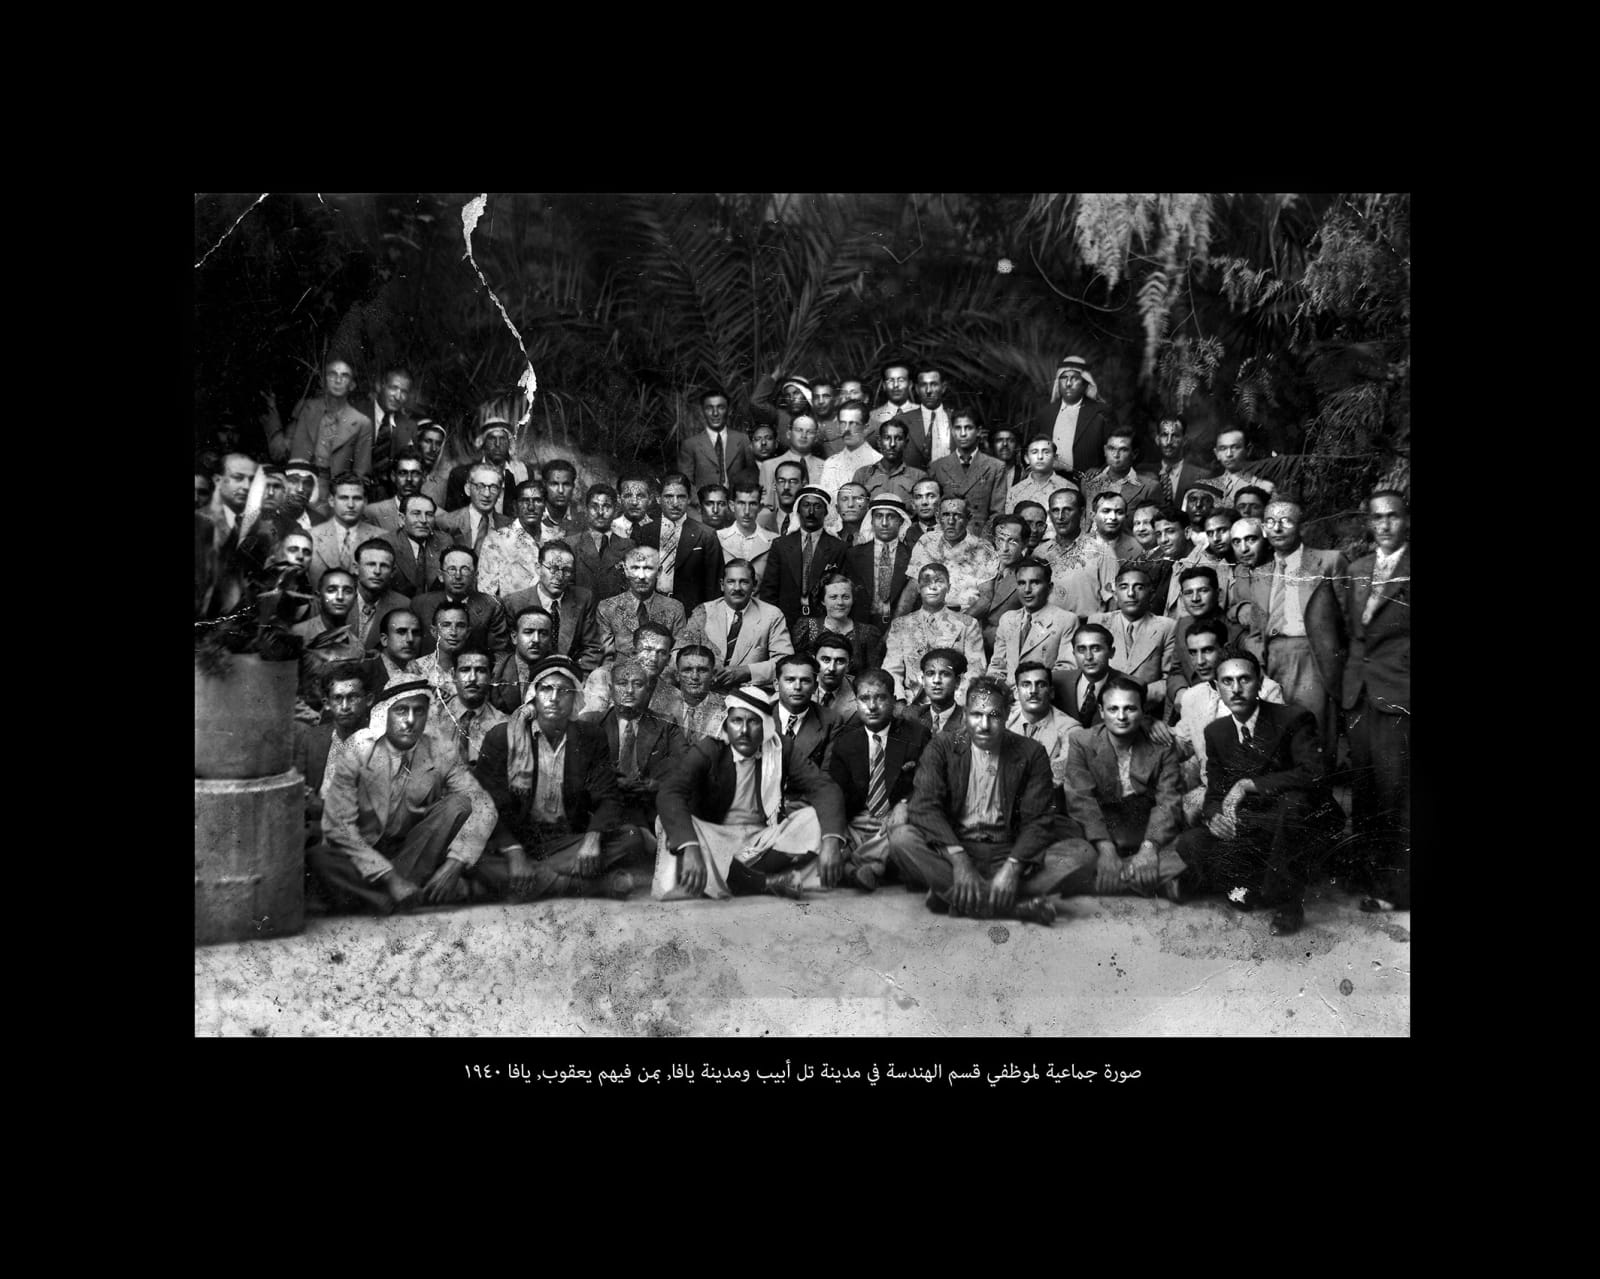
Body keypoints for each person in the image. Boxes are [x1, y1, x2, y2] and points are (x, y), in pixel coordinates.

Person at [1173, 654, 1345, 935]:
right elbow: (1215, 791)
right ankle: (1251, 886)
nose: (1236, 689)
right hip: (1254, 824)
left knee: (1292, 806)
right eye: (1227, 681)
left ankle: (1287, 903)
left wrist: (1247, 784)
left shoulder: (1293, 717)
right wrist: (1215, 815)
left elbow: (1313, 774)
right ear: (1216, 688)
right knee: (1190, 843)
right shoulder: (1216, 732)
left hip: (1296, 820)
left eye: (1245, 679)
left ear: (1260, 683)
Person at [886, 676, 1078, 925]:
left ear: (1008, 714)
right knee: (902, 839)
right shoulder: (942, 745)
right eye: (977, 714)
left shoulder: (1031, 751)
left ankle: (957, 896)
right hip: (956, 845)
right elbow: (924, 806)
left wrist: (1013, 867)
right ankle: (1009, 906)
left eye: (994, 715)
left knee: (1080, 853)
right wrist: (959, 860)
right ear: (965, 714)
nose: (984, 725)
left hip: (1009, 848)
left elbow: (1038, 818)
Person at [308, 675, 499, 914]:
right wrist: (391, 878)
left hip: (415, 850)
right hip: (363, 853)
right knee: (319, 857)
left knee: (458, 804)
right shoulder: (358, 748)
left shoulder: (439, 750)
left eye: (418, 711)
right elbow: (339, 826)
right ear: (384, 714)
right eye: (401, 711)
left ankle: (380, 899)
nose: (410, 721)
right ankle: (392, 897)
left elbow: (484, 805)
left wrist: (455, 863)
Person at [652, 684, 849, 901]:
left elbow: (824, 788)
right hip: (717, 836)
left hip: (763, 839)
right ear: (727, 723)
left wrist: (831, 840)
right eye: (737, 721)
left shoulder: (781, 747)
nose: (744, 731)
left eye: (752, 721)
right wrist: (690, 847)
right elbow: (670, 792)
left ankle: (729, 878)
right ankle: (766, 882)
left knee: (814, 819)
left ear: (764, 725)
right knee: (667, 822)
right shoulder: (711, 748)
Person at [473, 656, 643, 900]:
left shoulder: (590, 737)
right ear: (534, 694)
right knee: (473, 859)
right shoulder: (502, 737)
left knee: (631, 837)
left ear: (574, 698)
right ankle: (597, 886)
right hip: (516, 840)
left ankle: (528, 881)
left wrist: (592, 840)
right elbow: (485, 805)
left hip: (566, 840)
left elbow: (608, 797)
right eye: (546, 689)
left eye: (563, 691)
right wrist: (514, 852)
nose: (554, 698)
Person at [1340, 490, 1411, 911]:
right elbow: (1352, 634)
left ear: (1406, 520)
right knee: (1364, 788)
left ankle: (1397, 889)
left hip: (1399, 691)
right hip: (1359, 691)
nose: (1384, 526)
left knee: (1396, 789)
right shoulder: (1357, 569)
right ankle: (1368, 877)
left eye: (1394, 517)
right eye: (1377, 518)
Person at [1056, 675, 1188, 898]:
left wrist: (1149, 848)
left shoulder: (1162, 746)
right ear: (1101, 710)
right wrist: (1106, 849)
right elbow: (1082, 801)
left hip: (1144, 828)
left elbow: (1168, 802)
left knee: (1188, 851)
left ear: (1143, 710)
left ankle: (1105, 880)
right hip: (1099, 828)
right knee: (1069, 852)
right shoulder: (1082, 741)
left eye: (1130, 709)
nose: (1121, 717)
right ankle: (1144, 879)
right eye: (1113, 709)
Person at [1234, 496, 1348, 751]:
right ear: (1263, 528)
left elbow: (1347, 619)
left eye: (1286, 521)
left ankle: (1320, 788)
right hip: (1272, 661)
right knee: (1277, 736)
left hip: (1313, 657)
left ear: (1302, 527)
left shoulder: (1329, 561)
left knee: (1313, 733)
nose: (1277, 528)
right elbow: (1255, 631)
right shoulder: (1261, 573)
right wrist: (1257, 667)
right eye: (1270, 522)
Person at [1172, 618, 1285, 824]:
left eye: (1207, 650)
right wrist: (1149, 729)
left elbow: (1276, 757)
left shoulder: (1265, 690)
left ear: (1225, 649)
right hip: (1213, 790)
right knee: (1179, 809)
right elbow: (1182, 743)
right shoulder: (1192, 697)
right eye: (1193, 652)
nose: (1199, 661)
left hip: (1254, 790)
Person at [827, 669, 930, 891]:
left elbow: (929, 782)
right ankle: (865, 869)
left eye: (880, 697)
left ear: (894, 701)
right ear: (856, 701)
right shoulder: (846, 742)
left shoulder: (916, 734)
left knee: (904, 833)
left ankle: (854, 869)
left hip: (894, 818)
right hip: (859, 820)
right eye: (864, 698)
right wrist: (837, 830)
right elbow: (835, 793)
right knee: (821, 827)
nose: (872, 706)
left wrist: (904, 805)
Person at [586, 658, 689, 854]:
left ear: (649, 690)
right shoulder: (593, 723)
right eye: (622, 684)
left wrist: (655, 785)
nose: (629, 691)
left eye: (638, 684)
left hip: (651, 809)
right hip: (602, 812)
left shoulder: (666, 724)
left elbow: (683, 765)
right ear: (610, 688)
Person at [678, 558, 794, 691]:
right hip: (706, 690)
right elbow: (680, 653)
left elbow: (786, 662)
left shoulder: (772, 615)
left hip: (750, 694)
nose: (737, 588)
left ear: (754, 585)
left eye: (744, 582)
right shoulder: (703, 611)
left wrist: (746, 671)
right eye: (731, 582)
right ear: (722, 585)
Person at [292, 662, 371, 846]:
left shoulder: (378, 742)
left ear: (368, 699)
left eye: (353, 697)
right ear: (327, 704)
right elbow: (298, 788)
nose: (344, 706)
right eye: (337, 698)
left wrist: (317, 805)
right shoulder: (313, 738)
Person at [884, 565, 986, 704]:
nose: (932, 587)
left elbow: (976, 670)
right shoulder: (901, 625)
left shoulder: (967, 624)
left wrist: (956, 703)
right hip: (911, 702)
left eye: (939, 581)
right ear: (918, 588)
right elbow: (891, 669)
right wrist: (900, 701)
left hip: (953, 701)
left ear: (948, 587)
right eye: (926, 582)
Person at [499, 540, 604, 673]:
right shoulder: (513, 602)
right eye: (553, 568)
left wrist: (577, 679)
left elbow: (593, 648)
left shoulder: (583, 599)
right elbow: (505, 652)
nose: (559, 577)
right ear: (538, 568)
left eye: (566, 570)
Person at [630, 472, 724, 615]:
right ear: (658, 498)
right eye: (668, 496)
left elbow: (714, 589)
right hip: (650, 612)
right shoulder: (642, 533)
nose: (675, 503)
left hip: (690, 614)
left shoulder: (706, 535)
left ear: (689, 499)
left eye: (681, 497)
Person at [1089, 565, 1179, 714]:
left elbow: (1169, 679)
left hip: (1147, 710)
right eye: (1124, 587)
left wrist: (1133, 700)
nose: (1131, 594)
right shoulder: (1098, 622)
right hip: (1101, 711)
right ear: (1115, 594)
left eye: (1139, 587)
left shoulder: (1167, 627)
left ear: (1151, 593)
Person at [759, 484, 848, 628]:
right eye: (806, 505)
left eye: (817, 507)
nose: (811, 512)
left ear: (826, 512)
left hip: (824, 624)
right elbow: (769, 592)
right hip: (784, 624)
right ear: (798, 510)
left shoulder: (839, 548)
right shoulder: (780, 545)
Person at [1048, 490, 1142, 621]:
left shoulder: (1102, 550)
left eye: (1067, 510)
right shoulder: (1041, 552)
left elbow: (1113, 600)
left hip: (1086, 629)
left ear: (1081, 513)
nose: (1060, 517)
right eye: (1055, 510)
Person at [410, 546, 513, 660]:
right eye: (452, 569)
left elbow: (500, 653)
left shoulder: (492, 605)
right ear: (440, 576)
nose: (458, 576)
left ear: (475, 576)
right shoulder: (420, 604)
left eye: (465, 569)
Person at [987, 556, 1078, 685]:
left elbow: (1066, 669)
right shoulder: (1007, 620)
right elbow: (997, 667)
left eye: (1035, 582)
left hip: (1041, 695)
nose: (1027, 590)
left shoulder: (1066, 620)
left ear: (1050, 587)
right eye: (1021, 583)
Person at [288, 357, 374, 489]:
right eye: (332, 374)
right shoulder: (307, 409)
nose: (338, 380)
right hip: (304, 484)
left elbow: (361, 473)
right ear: (323, 381)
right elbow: (296, 456)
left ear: (352, 385)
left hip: (337, 491)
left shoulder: (362, 422)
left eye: (344, 376)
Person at [596, 545, 687, 666]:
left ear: (659, 571)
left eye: (648, 568)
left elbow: (677, 656)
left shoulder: (674, 608)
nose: (641, 576)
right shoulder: (607, 607)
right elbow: (607, 657)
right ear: (626, 570)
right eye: (635, 568)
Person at [578, 622, 684, 720]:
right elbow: (589, 723)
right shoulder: (603, 677)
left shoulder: (674, 696)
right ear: (634, 653)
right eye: (647, 650)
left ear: (668, 659)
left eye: (661, 652)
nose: (654, 658)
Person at [927, 410, 1009, 536]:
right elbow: (934, 511)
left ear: (979, 431)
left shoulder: (995, 467)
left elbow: (997, 513)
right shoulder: (938, 467)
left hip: (980, 538)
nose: (963, 433)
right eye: (958, 428)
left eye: (968, 428)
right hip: (946, 538)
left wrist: (983, 542)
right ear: (952, 431)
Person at [424, 647, 508, 767]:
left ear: (491, 677)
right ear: (453, 675)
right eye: (465, 670)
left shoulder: (502, 724)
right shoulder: (433, 716)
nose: (472, 678)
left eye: (481, 671)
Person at [1034, 354, 1116, 476]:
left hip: (1087, 481)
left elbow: (1117, 449)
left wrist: (1101, 470)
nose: (1068, 383)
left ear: (1085, 383)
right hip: (1051, 480)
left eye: (1075, 378)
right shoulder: (1045, 413)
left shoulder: (1101, 412)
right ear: (1058, 383)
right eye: (1064, 378)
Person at [1008, 660, 1078, 803]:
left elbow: (1054, 779)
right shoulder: (1002, 721)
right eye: (1026, 684)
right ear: (1016, 693)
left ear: (1051, 692)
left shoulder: (1071, 730)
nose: (1033, 690)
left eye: (1041, 684)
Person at [791, 572, 885, 674]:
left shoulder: (867, 633)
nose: (840, 602)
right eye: (833, 597)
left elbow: (873, 674)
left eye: (846, 597)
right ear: (823, 600)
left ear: (853, 600)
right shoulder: (807, 627)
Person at [307, 471, 387, 589]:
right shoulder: (311, 536)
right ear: (331, 500)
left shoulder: (381, 537)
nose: (350, 505)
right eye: (344, 498)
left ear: (365, 501)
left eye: (357, 498)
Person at [678, 383, 759, 496]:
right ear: (702, 412)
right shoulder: (690, 445)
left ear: (729, 410)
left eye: (720, 407)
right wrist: (702, 504)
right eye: (709, 408)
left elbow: (752, 475)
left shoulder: (743, 440)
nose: (715, 413)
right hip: (703, 508)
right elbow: (685, 484)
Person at [1168, 565, 1229, 718]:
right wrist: (1179, 690)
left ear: (1218, 594)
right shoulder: (1182, 625)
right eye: (1188, 593)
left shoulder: (1233, 629)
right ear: (1181, 598)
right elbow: (1175, 670)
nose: (1195, 598)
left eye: (1203, 591)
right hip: (1188, 708)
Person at [845, 494, 913, 629]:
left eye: (891, 516)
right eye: (879, 516)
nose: (884, 523)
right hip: (861, 625)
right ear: (871, 521)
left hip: (899, 627)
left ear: (901, 521)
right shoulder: (853, 554)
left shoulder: (912, 555)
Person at [772, 651, 840, 782]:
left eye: (805, 681)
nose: (797, 687)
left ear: (815, 686)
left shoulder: (831, 721)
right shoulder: (760, 716)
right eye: (790, 680)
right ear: (776, 684)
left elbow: (825, 778)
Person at [966, 514, 1028, 649]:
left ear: (1024, 543)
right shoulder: (980, 567)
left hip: (1004, 650)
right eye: (1000, 540)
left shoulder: (1029, 574)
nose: (1004, 548)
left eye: (1012, 541)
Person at [437, 463, 515, 560]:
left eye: (494, 488)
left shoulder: (510, 526)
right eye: (480, 486)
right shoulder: (446, 523)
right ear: (468, 489)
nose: (487, 494)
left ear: (500, 493)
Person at [444, 422, 527, 514]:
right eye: (492, 438)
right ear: (483, 443)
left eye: (503, 439)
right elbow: (454, 516)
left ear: (509, 444)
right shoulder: (461, 475)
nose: (497, 444)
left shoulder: (520, 474)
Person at [361, 369, 418, 498]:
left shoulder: (409, 427)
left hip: (387, 499)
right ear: (379, 386)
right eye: (393, 388)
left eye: (404, 392)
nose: (398, 396)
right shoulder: (356, 413)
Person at [571, 483, 633, 600]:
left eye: (606, 506)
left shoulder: (628, 547)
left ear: (615, 509)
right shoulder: (571, 545)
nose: (600, 512)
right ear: (586, 509)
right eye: (594, 506)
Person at [884, 363, 952, 468]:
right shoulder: (901, 421)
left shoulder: (957, 421)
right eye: (923, 385)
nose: (928, 391)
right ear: (916, 389)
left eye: (934, 384)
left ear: (943, 388)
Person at [490, 604, 556, 714]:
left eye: (543, 633)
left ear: (550, 640)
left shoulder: (560, 672)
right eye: (528, 632)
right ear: (514, 637)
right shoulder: (496, 672)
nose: (536, 640)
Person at [349, 538, 411, 651]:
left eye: (384, 566)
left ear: (393, 572)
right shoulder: (338, 599)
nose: (377, 571)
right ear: (356, 568)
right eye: (371, 564)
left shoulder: (403, 606)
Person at [758, 415, 826, 518]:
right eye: (799, 430)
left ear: (816, 438)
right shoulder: (769, 466)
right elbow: (766, 507)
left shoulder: (826, 466)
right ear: (789, 434)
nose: (804, 435)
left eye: (809, 432)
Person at [1142, 416, 1215, 510]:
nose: (1169, 442)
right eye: (1164, 435)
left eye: (1175, 436)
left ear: (1184, 440)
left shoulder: (1202, 476)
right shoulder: (1144, 474)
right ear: (1157, 440)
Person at [386, 493, 452, 597]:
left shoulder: (445, 541)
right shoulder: (387, 544)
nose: (423, 520)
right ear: (402, 518)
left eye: (429, 514)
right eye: (416, 514)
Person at [1056, 622, 1117, 730]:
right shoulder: (1057, 680)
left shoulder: (1132, 685)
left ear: (1111, 652)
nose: (1088, 657)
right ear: (1074, 654)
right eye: (1081, 649)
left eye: (1096, 649)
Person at [1080, 428, 1157, 514]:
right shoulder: (1089, 481)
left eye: (1123, 450)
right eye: (1111, 448)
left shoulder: (1149, 488)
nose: (1116, 454)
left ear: (1134, 454)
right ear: (1105, 450)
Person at [1004, 436, 1075, 524]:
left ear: (1055, 458)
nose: (1040, 457)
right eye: (1034, 452)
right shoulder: (1015, 492)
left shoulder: (1069, 488)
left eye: (1046, 452)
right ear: (1026, 458)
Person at [853, 417, 924, 504]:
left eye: (898, 438)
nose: (892, 444)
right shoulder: (863, 475)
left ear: (906, 443)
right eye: (887, 438)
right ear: (879, 442)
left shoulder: (918, 477)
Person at [416, 601, 474, 706]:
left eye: (460, 626)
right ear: (434, 631)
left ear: (468, 632)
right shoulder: (417, 668)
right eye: (446, 625)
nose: (453, 632)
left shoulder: (476, 670)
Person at [717, 481, 778, 582]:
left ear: (759, 507)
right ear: (732, 506)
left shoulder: (774, 541)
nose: (746, 511)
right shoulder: (717, 538)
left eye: (752, 504)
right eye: (741, 503)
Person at [818, 404, 881, 497]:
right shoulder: (830, 463)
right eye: (843, 423)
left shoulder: (878, 462)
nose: (846, 429)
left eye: (853, 423)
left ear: (866, 428)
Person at [671, 644, 728, 744]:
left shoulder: (727, 710)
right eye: (687, 670)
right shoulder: (663, 708)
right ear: (677, 675)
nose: (694, 676)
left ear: (713, 675)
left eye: (702, 670)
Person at [906, 648, 969, 737]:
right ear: (923, 681)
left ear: (957, 682)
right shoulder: (912, 718)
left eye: (945, 674)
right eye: (930, 673)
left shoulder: (970, 722)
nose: (936, 680)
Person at [1212, 427, 1276, 507]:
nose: (1229, 454)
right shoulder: (1209, 485)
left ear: (1248, 450)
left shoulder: (1264, 486)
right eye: (1223, 448)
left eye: (1235, 447)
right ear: (1217, 453)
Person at [811, 631, 861, 723]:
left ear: (849, 666)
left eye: (840, 661)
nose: (831, 668)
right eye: (826, 660)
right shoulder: (798, 685)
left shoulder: (860, 694)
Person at [758, 458, 806, 535]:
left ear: (803, 486)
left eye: (793, 482)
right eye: (781, 481)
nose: (786, 487)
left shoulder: (809, 523)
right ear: (774, 485)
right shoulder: (760, 522)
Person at [868, 360, 916, 435]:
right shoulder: (872, 417)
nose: (896, 385)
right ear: (884, 385)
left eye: (901, 380)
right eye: (890, 380)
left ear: (910, 384)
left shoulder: (924, 414)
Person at [413, 421, 452, 511]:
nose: (433, 448)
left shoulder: (444, 481)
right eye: (428, 441)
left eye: (438, 443)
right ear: (418, 442)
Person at [613, 474, 657, 541]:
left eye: (641, 496)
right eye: (628, 496)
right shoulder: (610, 530)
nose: (634, 502)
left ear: (650, 499)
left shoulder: (659, 529)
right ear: (619, 498)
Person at [906, 477, 942, 548]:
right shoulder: (905, 535)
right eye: (918, 497)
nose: (924, 502)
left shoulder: (955, 530)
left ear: (941, 501)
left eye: (931, 496)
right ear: (913, 504)